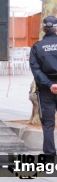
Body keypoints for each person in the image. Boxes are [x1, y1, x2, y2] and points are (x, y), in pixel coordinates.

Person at [30, 15, 57, 162]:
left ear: (43, 29)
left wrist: (50, 85)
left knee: (48, 124)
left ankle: (49, 158)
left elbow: (36, 71)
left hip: (46, 90)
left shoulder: (37, 47)